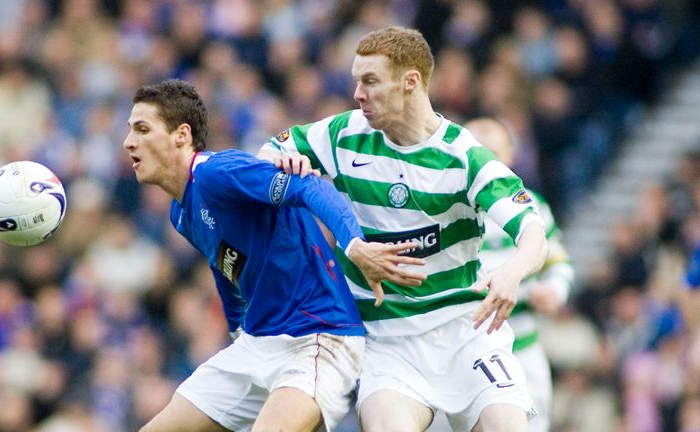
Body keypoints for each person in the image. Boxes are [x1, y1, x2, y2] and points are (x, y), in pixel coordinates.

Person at [258, 27, 549, 432]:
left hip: (464, 334)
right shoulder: (343, 133)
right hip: (385, 344)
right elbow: (269, 153)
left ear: (411, 82)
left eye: (370, 81)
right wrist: (292, 169)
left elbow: (533, 232)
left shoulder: (463, 157)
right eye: (356, 81)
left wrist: (511, 272)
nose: (358, 94)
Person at [123, 79, 427, 432]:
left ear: (181, 135)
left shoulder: (218, 173)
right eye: (130, 130)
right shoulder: (181, 214)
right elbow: (225, 263)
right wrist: (238, 329)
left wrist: (355, 246)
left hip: (319, 337)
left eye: (143, 129)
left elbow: (308, 185)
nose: (129, 141)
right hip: (258, 344)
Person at [465, 117, 575, 432]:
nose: (486, 166)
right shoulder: (444, 208)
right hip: (461, 345)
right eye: (479, 155)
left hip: (522, 346)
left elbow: (558, 262)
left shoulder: (532, 206)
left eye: (494, 154)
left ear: (510, 155)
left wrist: (555, 290)